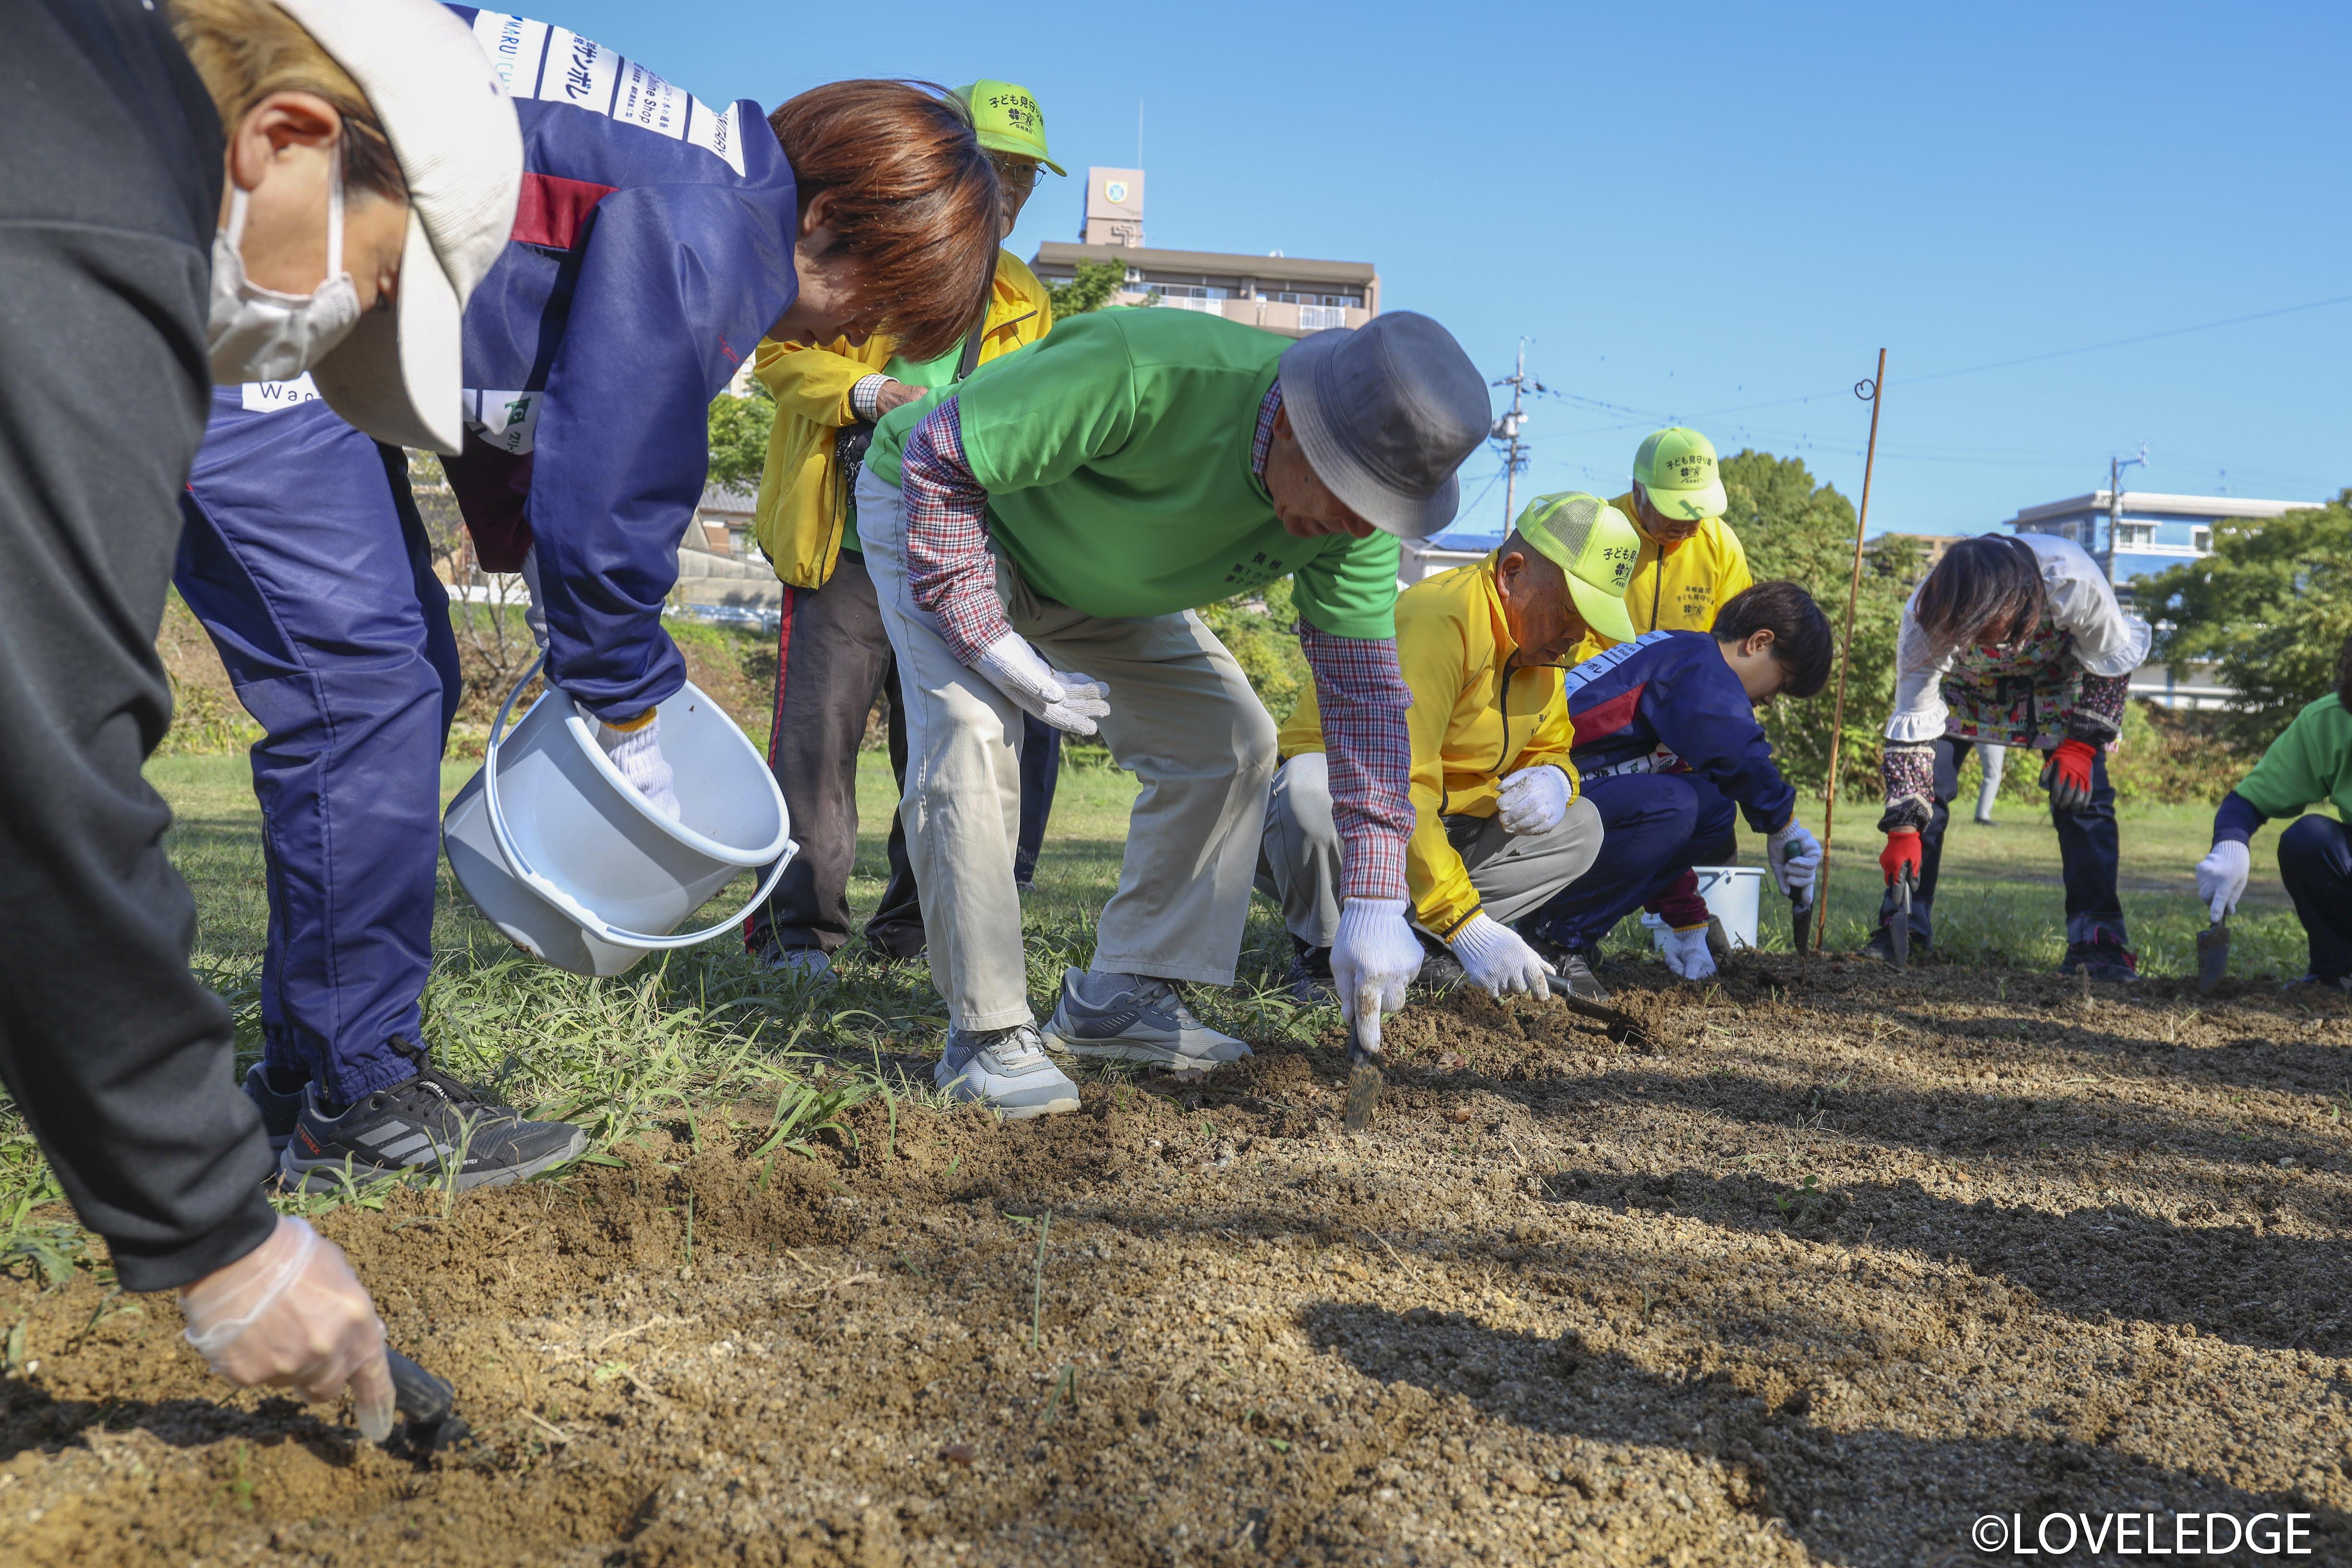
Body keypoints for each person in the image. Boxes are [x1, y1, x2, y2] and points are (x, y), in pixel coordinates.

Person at [178, 8, 1003, 1191]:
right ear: (823, 219)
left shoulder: (684, 154)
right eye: (866, 302)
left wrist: (527, 534)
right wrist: (625, 702)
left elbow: (523, 340)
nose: (847, 332)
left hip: (275, 258)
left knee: (405, 678)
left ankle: (308, 1068)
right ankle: (356, 1093)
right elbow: (621, 472)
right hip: (234, 264)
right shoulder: (723, 224)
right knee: (362, 684)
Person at [0, 0, 521, 1444]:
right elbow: (39, 759)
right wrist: (221, 1231)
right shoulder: (87, 220)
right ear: (287, 138)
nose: (333, 324)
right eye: (367, 284)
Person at [854, 308, 1489, 1117]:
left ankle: (1121, 995)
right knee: (976, 729)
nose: (1359, 528)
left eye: (1383, 511)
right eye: (1349, 495)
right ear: (1295, 427)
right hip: (955, 511)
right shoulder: (1144, 370)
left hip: (1096, 576)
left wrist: (1372, 896)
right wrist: (989, 640)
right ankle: (985, 1035)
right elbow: (938, 456)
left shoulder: (1358, 526)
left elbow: (1363, 700)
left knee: (1229, 741)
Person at [744, 79, 1063, 980]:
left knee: (953, 738)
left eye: (1026, 174)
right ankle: (796, 937)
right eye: (995, 165)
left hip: (951, 549)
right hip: (838, 537)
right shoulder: (865, 248)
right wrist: (864, 393)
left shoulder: (1025, 297)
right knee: (816, 743)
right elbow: (776, 349)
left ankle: (914, 935)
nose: (1010, 187)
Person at [1259, 492, 1638, 1006]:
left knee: (1580, 826)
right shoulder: (1440, 619)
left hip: (1444, 826)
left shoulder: (1544, 650)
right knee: (1309, 783)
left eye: (1588, 624)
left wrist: (1555, 777)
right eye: (1569, 613)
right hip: (1348, 821)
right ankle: (1322, 953)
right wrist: (1467, 924)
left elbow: (1552, 746)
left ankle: (1421, 941)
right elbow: (1395, 781)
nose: (1575, 639)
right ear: (1511, 573)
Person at [1522, 582, 1833, 984]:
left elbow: (1662, 827)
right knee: (1678, 803)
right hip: (1528, 798)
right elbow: (1734, 752)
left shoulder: (1686, 664)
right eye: (1783, 682)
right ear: (1759, 642)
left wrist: (1689, 925)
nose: (1772, 699)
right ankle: (1552, 939)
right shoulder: (1696, 663)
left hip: (1565, 798)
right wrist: (1783, 824)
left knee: (1712, 805)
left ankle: (1563, 932)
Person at [1871, 533, 2150, 977]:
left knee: (2085, 799)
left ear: (2021, 600)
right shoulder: (1926, 617)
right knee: (1932, 789)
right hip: (1963, 692)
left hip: (2058, 683)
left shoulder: (2073, 579)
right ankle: (1903, 920)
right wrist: (1904, 828)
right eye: (1970, 632)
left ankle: (2098, 938)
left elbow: (2112, 657)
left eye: (1990, 629)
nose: (1985, 642)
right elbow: (1913, 724)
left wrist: (2080, 745)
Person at [2194, 632, 2352, 993]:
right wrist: (2230, 846)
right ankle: (2337, 973)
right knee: (2309, 840)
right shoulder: (2329, 721)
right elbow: (2247, 802)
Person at [1566, 426, 1753, 664]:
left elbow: (1734, 641)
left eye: (1699, 511)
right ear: (1638, 488)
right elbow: (1565, 621)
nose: (1687, 523)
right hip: (1593, 687)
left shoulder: (1723, 547)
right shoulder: (1595, 528)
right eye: (1672, 508)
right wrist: (1612, 681)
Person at [1973, 741, 2007, 824]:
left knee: (1993, 774)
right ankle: (1982, 816)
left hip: (1995, 733)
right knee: (1993, 775)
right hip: (1992, 733)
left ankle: (1982, 815)